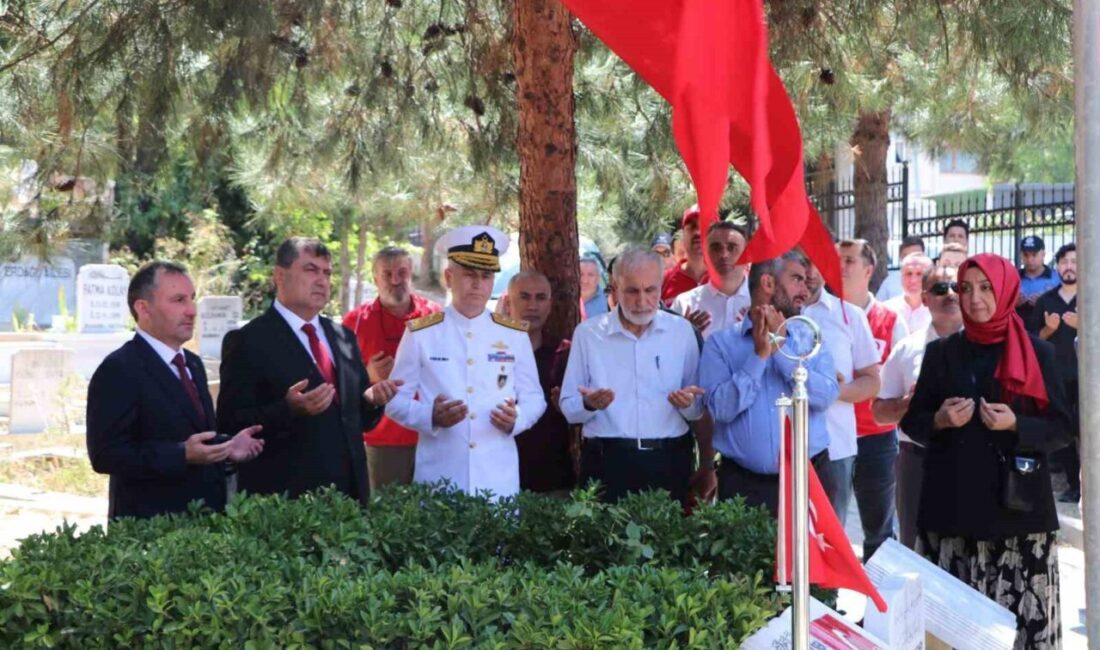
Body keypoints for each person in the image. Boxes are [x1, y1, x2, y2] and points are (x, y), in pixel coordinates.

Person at [901, 254, 1071, 647]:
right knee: (948, 635)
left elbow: (1063, 430)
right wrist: (940, 420)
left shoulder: (1038, 353)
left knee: (1020, 636)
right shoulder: (942, 353)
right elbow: (913, 424)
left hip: (1018, 522)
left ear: (1007, 289)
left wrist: (1017, 424)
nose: (975, 298)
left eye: (986, 287)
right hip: (952, 518)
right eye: (966, 288)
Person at [218, 238, 400, 505]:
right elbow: (229, 424)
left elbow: (356, 419)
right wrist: (288, 409)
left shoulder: (343, 337)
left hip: (349, 500)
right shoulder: (248, 341)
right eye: (311, 270)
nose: (322, 280)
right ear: (280, 275)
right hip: (288, 502)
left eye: (327, 273)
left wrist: (373, 399)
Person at [87, 261, 265, 519]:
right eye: (178, 300)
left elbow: (194, 435)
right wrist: (180, 454)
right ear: (143, 308)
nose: (191, 311)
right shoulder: (119, 369)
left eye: (192, 299)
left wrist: (226, 446)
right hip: (152, 530)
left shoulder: (193, 363)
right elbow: (105, 455)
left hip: (206, 523)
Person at [387, 226, 546, 499]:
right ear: (449, 277)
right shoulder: (422, 332)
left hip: (496, 478)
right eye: (469, 274)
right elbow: (393, 400)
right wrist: (429, 416)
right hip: (440, 475)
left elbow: (534, 397)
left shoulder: (513, 334)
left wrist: (516, 419)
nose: (477, 283)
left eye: (485, 276)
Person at [560, 248, 708, 505]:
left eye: (650, 290)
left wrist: (688, 404)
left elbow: (697, 410)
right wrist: (589, 404)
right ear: (615, 289)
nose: (642, 301)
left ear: (661, 288)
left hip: (669, 461)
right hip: (607, 463)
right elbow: (570, 409)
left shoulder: (682, 332)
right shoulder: (588, 335)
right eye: (632, 291)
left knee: (669, 543)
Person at [700, 252, 838, 514]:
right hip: (744, 486)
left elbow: (825, 396)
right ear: (768, 284)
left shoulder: (811, 338)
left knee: (810, 557)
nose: (804, 289)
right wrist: (759, 357)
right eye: (797, 279)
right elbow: (721, 409)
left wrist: (783, 352)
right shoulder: (721, 345)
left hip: (810, 480)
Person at [872, 264, 963, 548]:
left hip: (971, 459)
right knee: (916, 549)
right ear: (924, 298)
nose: (950, 294)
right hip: (918, 463)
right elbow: (878, 412)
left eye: (957, 287)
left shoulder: (985, 346)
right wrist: (908, 404)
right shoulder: (907, 349)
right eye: (940, 289)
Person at [342, 246, 442, 492]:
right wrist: (368, 376)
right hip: (382, 442)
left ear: (412, 274)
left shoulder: (436, 316)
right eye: (387, 274)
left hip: (434, 435)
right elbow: (337, 383)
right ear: (375, 278)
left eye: (402, 272)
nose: (395, 280)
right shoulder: (354, 322)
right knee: (387, 519)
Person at [838, 239, 909, 559]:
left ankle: (879, 604)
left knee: (878, 530)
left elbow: (903, 378)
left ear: (869, 270)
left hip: (876, 439)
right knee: (829, 528)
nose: (841, 266)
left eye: (849, 260)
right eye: (837, 259)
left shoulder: (890, 319)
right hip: (834, 439)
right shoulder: (825, 315)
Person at [801, 260, 880, 527]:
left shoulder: (849, 315)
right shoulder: (775, 314)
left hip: (834, 448)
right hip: (781, 449)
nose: (810, 272)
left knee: (830, 540)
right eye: (802, 263)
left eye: (816, 262)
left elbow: (872, 382)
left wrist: (828, 390)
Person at [504, 271, 576, 495]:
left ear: (550, 304)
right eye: (524, 297)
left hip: (552, 480)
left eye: (540, 297)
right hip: (498, 476)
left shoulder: (565, 353)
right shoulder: (490, 351)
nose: (532, 306)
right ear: (508, 302)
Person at [1027, 243, 1079, 503]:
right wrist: (1048, 330)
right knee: (1064, 430)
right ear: (1057, 266)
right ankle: (1073, 486)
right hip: (1055, 378)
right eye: (1064, 262)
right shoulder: (1046, 301)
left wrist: (1085, 326)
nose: (1069, 266)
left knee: (1088, 430)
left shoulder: (1093, 298)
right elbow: (1031, 340)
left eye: (1074, 261)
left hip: (1088, 379)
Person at [669, 221, 751, 339]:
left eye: (732, 248)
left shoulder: (765, 302)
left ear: (747, 255)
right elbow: (668, 350)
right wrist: (684, 335)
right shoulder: (685, 303)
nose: (724, 255)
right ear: (705, 257)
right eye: (716, 248)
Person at [661, 205, 709, 305]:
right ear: (683, 235)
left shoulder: (726, 279)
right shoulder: (663, 281)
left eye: (705, 225)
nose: (698, 232)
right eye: (692, 226)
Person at [882, 253, 934, 334]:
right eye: (908, 274)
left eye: (919, 274)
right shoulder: (886, 310)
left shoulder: (939, 311)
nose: (913, 280)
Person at [1017, 235, 1060, 323]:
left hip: (1048, 331)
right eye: (1026, 255)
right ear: (1021, 255)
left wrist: (1044, 303)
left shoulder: (1057, 278)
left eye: (1034, 255)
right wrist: (1013, 304)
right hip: (1019, 331)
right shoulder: (1013, 278)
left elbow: (1065, 306)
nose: (1030, 259)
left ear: (1043, 254)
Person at [876, 235, 925, 301]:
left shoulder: (932, 281)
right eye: (907, 257)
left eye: (916, 256)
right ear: (900, 258)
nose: (912, 261)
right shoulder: (890, 282)